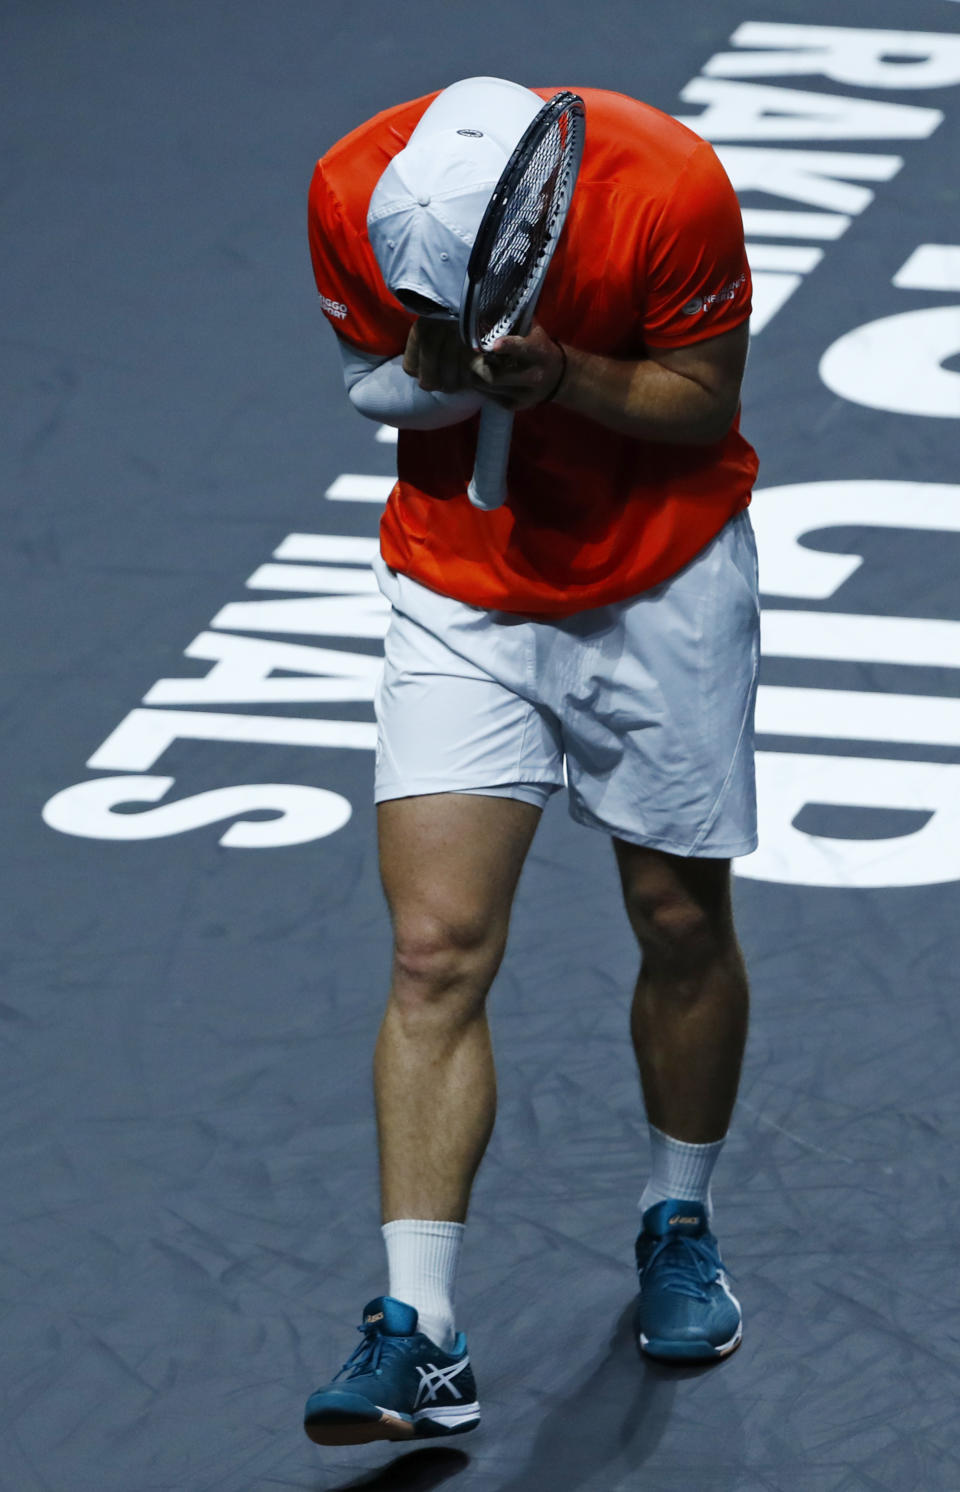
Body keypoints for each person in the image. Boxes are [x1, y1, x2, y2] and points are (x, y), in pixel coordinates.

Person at [302, 76, 759, 1447]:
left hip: (660, 581)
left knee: (678, 918)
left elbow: (701, 400)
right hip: (461, 592)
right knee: (435, 948)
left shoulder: (669, 184)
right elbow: (374, 389)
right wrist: (436, 382)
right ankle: (420, 1333)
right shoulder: (347, 189)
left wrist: (561, 375)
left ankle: (677, 1217)